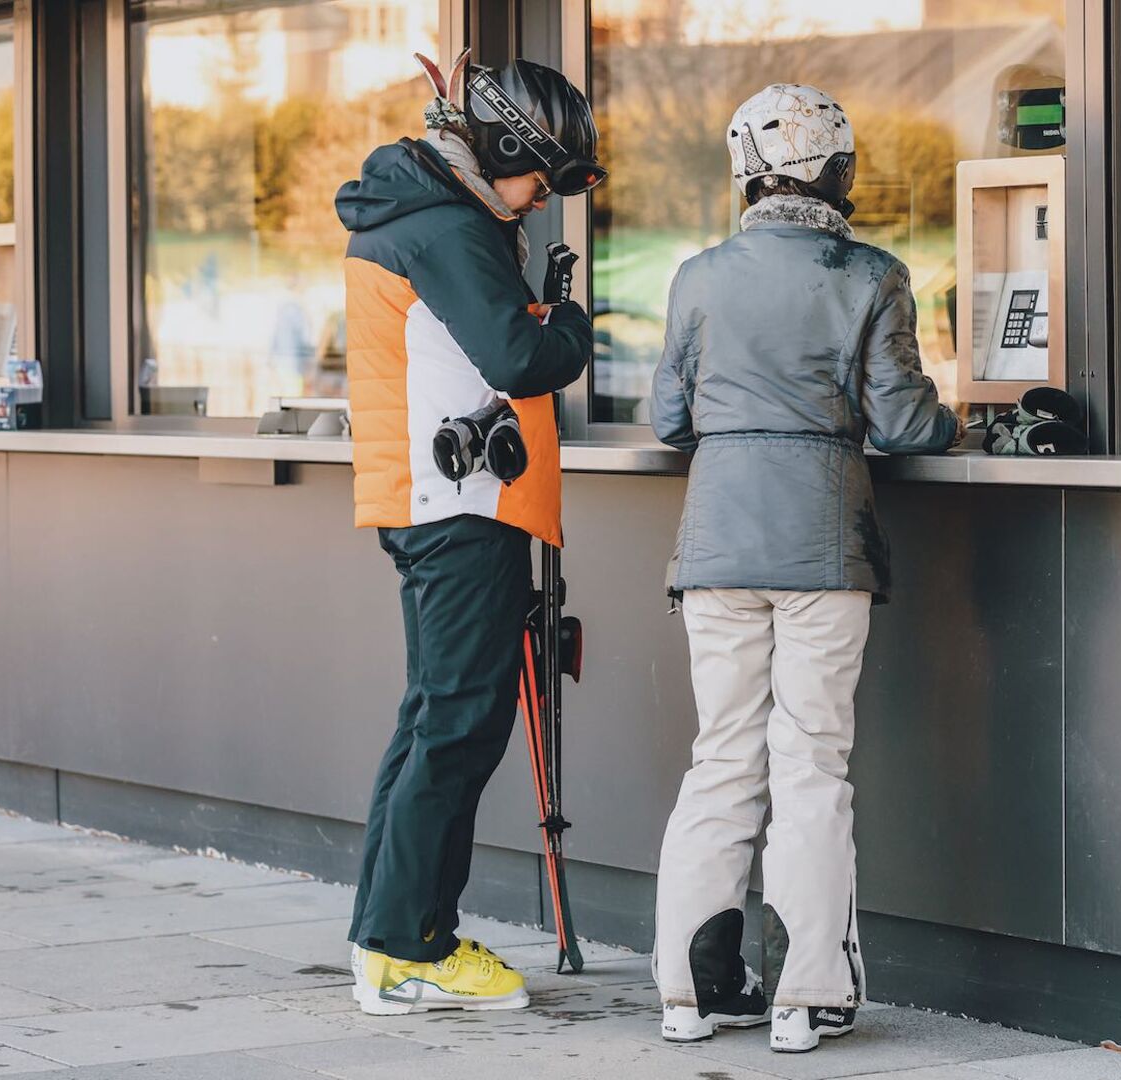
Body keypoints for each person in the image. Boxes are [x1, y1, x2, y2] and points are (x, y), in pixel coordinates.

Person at [649, 83, 964, 1053]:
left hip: (716, 547)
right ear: (840, 171)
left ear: (745, 174)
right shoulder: (868, 273)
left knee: (721, 758)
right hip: (824, 547)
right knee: (811, 761)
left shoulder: (697, 276)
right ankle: (804, 996)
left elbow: (668, 420)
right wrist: (969, 423)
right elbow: (904, 422)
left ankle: (691, 994)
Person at [333, 51, 605, 1016]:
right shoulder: (448, 226)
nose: (538, 201)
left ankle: (388, 933)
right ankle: (411, 945)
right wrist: (568, 319)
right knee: (456, 725)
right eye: (540, 176)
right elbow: (521, 357)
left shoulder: (418, 212)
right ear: (498, 146)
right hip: (462, 511)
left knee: (433, 719)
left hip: (433, 504)